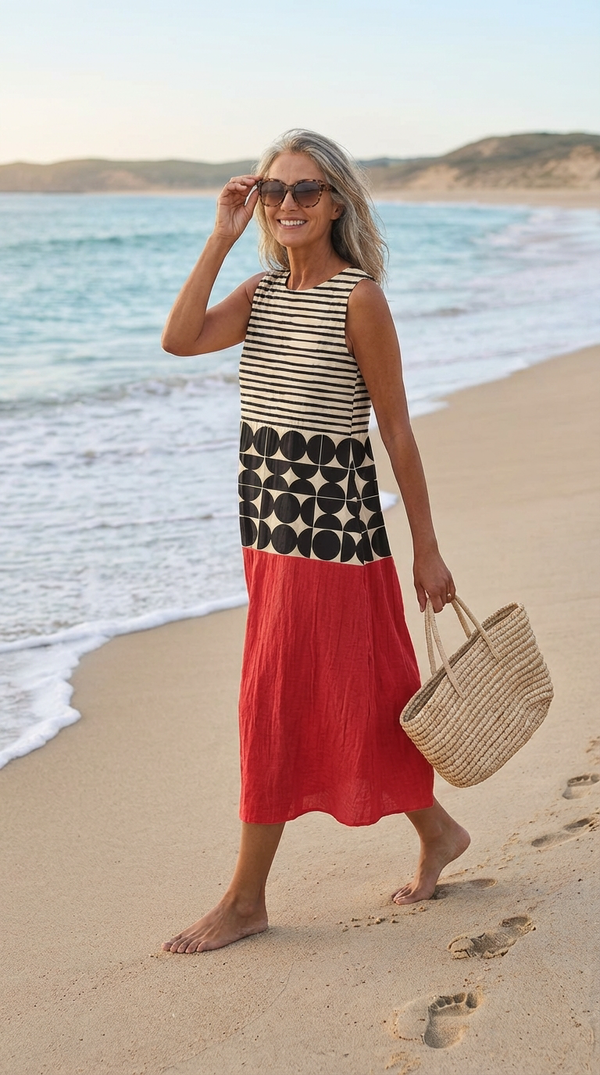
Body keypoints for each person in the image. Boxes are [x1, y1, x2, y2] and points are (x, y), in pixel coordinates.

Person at [160, 129, 470, 954]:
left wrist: (427, 549)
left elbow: (397, 431)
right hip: (268, 532)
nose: (288, 203)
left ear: (337, 203)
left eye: (306, 189)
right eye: (274, 189)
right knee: (358, 695)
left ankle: (245, 898)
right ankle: (438, 831)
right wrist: (221, 237)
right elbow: (178, 338)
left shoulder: (358, 299)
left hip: (335, 539)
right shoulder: (261, 292)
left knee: (272, 698)